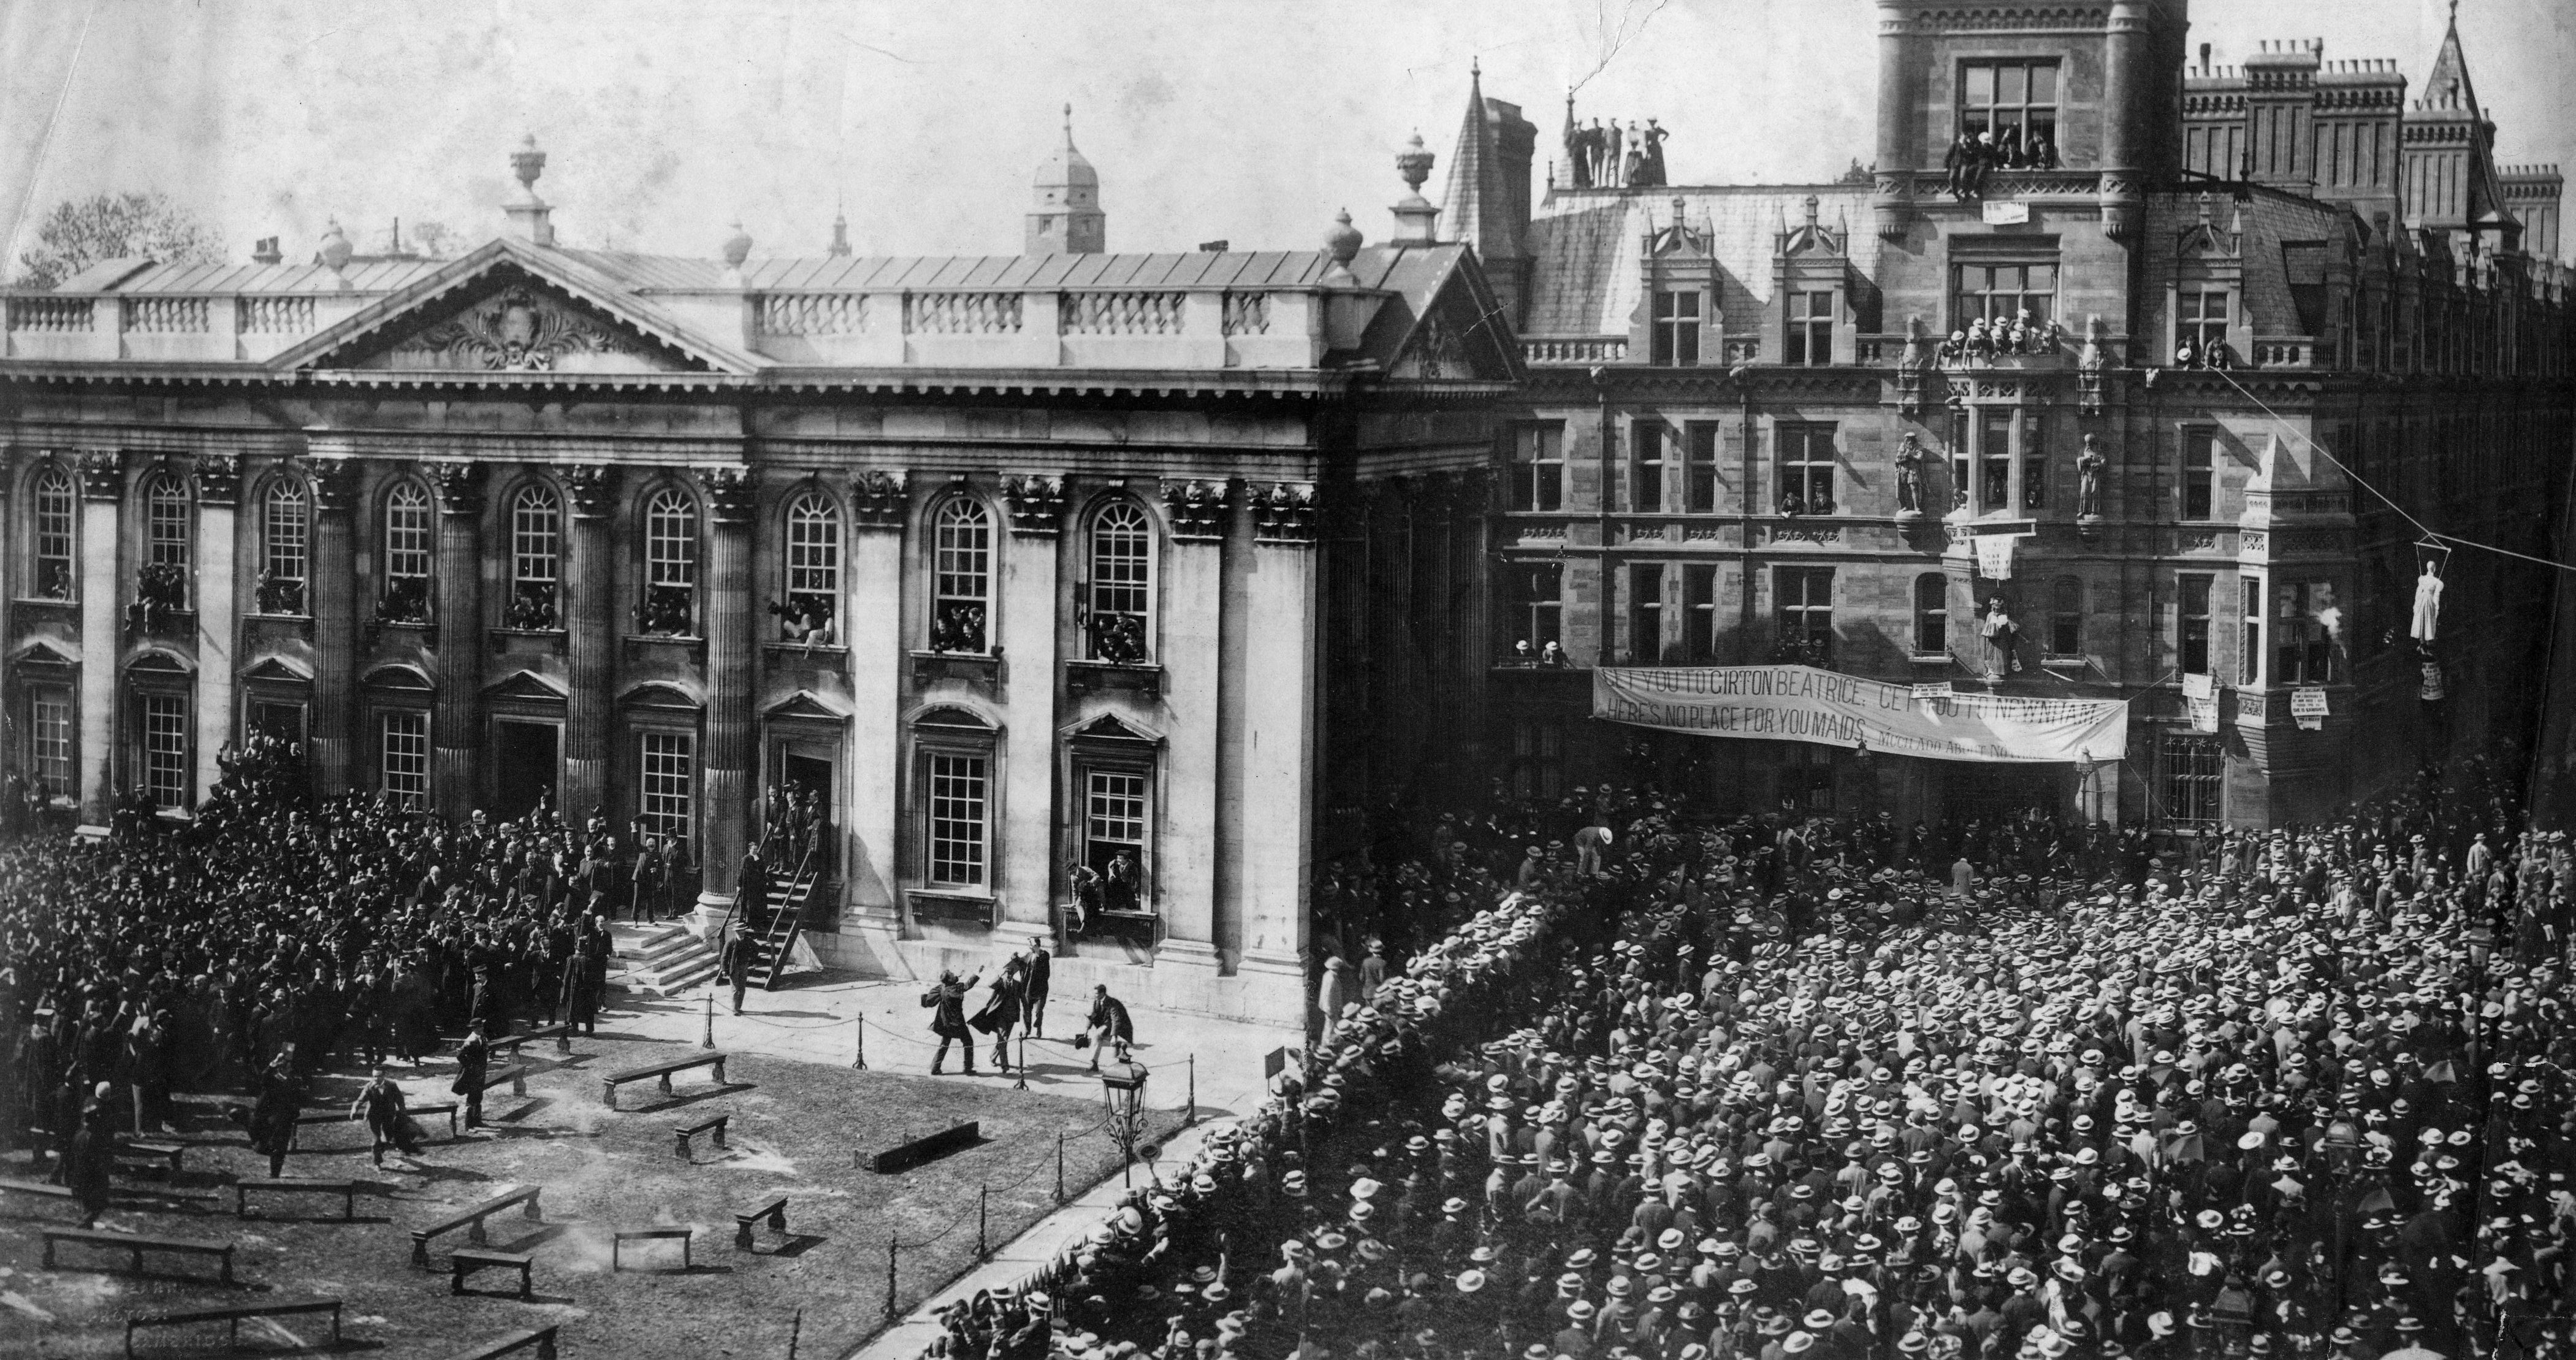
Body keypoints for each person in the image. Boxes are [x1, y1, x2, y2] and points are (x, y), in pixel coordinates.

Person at [350, 1064, 420, 1167]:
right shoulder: (369, 1087)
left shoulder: (391, 1085)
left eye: (378, 1076)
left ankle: (382, 1146)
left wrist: (403, 1113)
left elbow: (400, 1100)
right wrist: (354, 1109)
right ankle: (377, 1163)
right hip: (374, 1116)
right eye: (374, 1076)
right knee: (376, 1140)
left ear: (384, 1076)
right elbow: (360, 1100)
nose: (376, 1079)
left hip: (388, 1115)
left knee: (387, 1136)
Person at [923, 969, 981, 1075]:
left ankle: (935, 1067)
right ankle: (968, 1068)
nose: (954, 975)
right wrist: (977, 973)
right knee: (968, 1042)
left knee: (944, 1044)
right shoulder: (956, 989)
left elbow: (953, 982)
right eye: (952, 975)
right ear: (949, 979)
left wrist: (958, 976)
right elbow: (968, 985)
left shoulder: (943, 988)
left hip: (946, 1023)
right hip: (957, 1023)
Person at [973, 958, 1026, 1071]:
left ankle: (992, 1057)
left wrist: (1027, 1015)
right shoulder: (1000, 982)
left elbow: (1023, 999)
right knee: (1004, 1038)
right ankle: (1005, 1065)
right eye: (1007, 974)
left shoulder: (1018, 985)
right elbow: (990, 985)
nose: (1009, 976)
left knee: (1003, 1040)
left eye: (1011, 974)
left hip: (1012, 1016)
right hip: (1000, 1015)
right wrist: (1000, 975)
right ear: (1005, 974)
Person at [1084, 983, 1134, 1072]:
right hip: (1106, 1024)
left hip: (1119, 1025)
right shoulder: (1097, 1001)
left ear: (1103, 993)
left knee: (1097, 1035)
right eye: (1095, 993)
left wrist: (1114, 1036)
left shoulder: (1112, 1003)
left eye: (1097, 994)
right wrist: (1086, 1030)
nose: (1095, 995)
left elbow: (1116, 1020)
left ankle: (1094, 1063)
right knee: (1100, 1037)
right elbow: (1093, 1015)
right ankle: (1119, 1046)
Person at [452, 1022, 490, 1129]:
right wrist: (470, 1066)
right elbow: (460, 1055)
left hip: (480, 1073)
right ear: (475, 1028)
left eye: (482, 1026)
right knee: (472, 1098)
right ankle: (469, 1125)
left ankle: (477, 1121)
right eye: (480, 1027)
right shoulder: (471, 1040)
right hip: (473, 1074)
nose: (482, 1028)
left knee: (479, 1096)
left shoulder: (481, 1037)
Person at [724, 925, 763, 1016]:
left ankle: (739, 1007)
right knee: (735, 989)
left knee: (742, 988)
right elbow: (724, 956)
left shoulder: (748, 940)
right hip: (734, 968)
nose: (741, 934)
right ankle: (735, 1009)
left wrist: (752, 957)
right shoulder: (731, 942)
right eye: (739, 932)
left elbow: (757, 948)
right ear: (736, 932)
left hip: (744, 967)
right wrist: (724, 969)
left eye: (743, 932)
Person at [1023, 937, 1053, 1037]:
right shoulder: (1029, 955)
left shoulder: (1044, 955)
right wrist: (1015, 959)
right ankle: (1027, 1030)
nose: (1029, 946)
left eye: (1031, 944)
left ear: (1036, 945)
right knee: (1027, 1011)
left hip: (1041, 988)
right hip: (1030, 988)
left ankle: (1039, 1028)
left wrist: (1037, 950)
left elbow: (1043, 962)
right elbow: (1022, 964)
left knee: (1039, 1011)